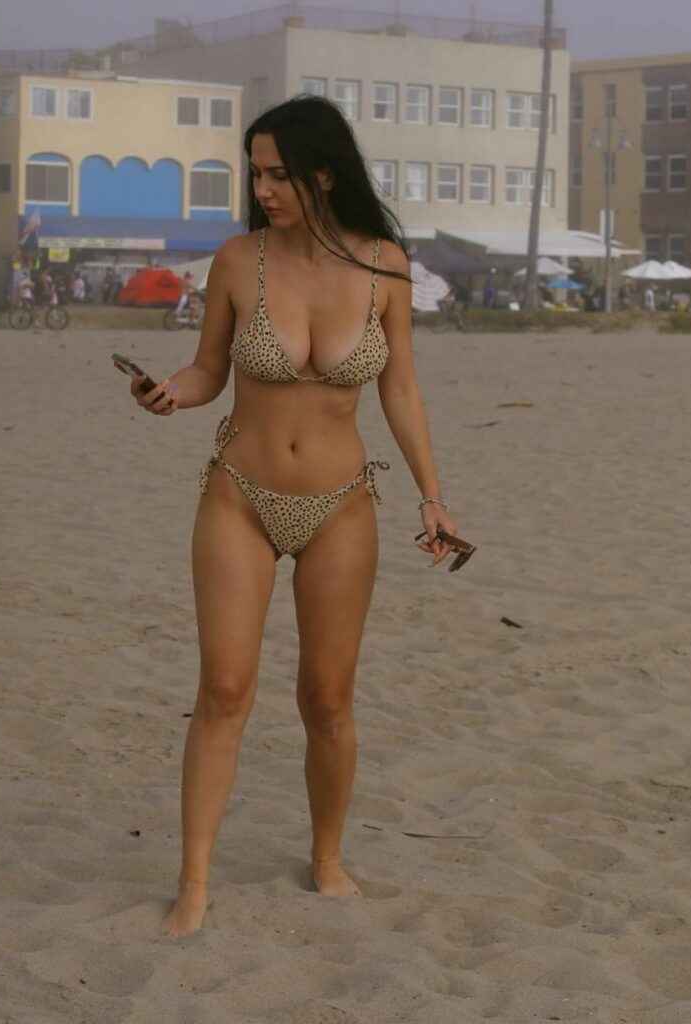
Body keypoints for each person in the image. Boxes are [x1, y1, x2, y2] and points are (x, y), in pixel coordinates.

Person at [129, 95, 462, 938]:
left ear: (323, 173)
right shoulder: (237, 261)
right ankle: (194, 882)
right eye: (255, 173)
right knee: (224, 689)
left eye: (277, 174)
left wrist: (431, 495)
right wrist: (171, 392)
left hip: (341, 505)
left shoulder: (385, 266)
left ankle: (327, 856)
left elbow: (401, 389)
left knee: (328, 698)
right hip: (239, 496)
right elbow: (209, 371)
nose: (263, 189)